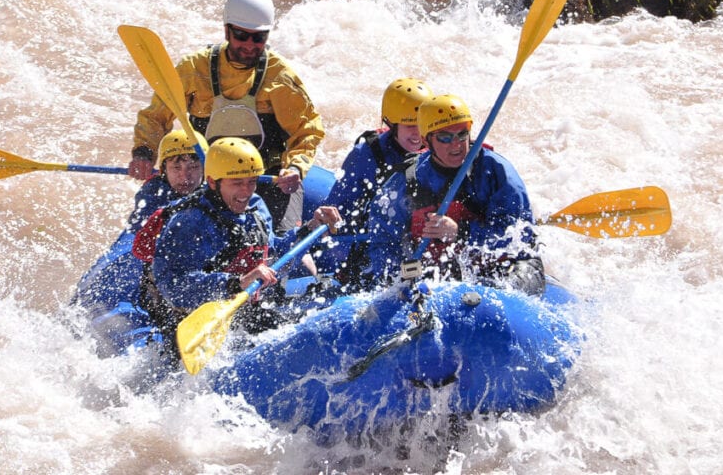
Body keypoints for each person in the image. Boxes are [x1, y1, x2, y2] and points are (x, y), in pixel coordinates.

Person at [128, 0, 325, 232]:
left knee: (284, 242)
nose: (250, 45)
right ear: (227, 30)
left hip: (269, 179)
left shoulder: (280, 76)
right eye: (242, 35)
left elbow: (307, 131)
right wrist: (144, 152)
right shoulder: (194, 68)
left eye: (259, 37)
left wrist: (295, 167)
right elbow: (156, 116)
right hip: (213, 181)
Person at [145, 137, 341, 351]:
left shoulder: (256, 206)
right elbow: (173, 287)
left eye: (251, 181)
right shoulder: (189, 222)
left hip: (248, 313)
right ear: (212, 182)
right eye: (237, 183)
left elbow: (276, 260)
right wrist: (235, 283)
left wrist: (311, 227)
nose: (246, 191)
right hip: (194, 323)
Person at [355, 93, 545, 294]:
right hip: (445, 270)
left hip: (506, 268)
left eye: (462, 134)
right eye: (445, 137)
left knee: (504, 287)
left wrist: (460, 232)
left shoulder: (497, 172)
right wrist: (397, 280)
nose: (456, 144)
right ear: (425, 140)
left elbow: (519, 237)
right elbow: (384, 242)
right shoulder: (406, 181)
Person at [321, 78, 433, 280]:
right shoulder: (366, 154)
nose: (418, 133)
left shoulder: (439, 149)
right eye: (409, 125)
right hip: (375, 241)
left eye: (421, 124)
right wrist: (329, 221)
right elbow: (340, 206)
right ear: (391, 124)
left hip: (422, 240)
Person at [126, 130, 208, 232]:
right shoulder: (154, 191)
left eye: (193, 167)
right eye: (176, 168)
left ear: (205, 169)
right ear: (164, 170)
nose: (185, 178)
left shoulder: (215, 189)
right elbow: (140, 229)